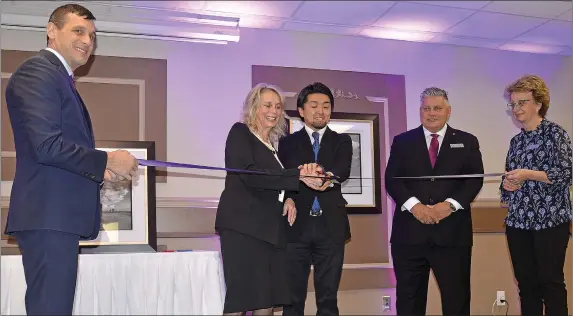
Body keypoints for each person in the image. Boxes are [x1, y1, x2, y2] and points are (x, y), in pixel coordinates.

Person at [4, 4, 138, 315]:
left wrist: (103, 171)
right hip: (49, 215)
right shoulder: (38, 71)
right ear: (52, 31)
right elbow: (47, 146)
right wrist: (107, 160)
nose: (87, 41)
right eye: (78, 31)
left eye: (92, 35)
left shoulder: (58, 78)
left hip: (54, 217)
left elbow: (55, 148)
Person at [215, 83, 324, 316]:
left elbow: (271, 183)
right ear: (254, 107)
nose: (273, 111)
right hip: (243, 230)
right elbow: (251, 175)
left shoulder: (271, 146)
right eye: (267, 105)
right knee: (241, 299)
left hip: (270, 232)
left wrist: (287, 199)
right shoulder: (240, 132)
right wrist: (298, 176)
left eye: (277, 106)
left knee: (267, 300)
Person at [384, 87, 484, 316]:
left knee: (456, 300)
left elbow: (474, 181)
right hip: (409, 237)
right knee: (409, 302)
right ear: (420, 111)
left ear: (448, 111)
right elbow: (392, 180)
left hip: (452, 236)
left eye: (437, 108)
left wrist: (448, 206)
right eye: (426, 108)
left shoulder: (467, 142)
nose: (431, 113)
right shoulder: (402, 141)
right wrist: (415, 207)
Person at [278, 82, 353, 316]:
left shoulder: (343, 141)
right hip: (295, 226)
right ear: (302, 110)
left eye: (326, 106)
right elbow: (286, 176)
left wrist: (312, 173)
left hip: (331, 227)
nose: (321, 111)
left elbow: (341, 172)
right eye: (314, 105)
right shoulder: (286, 142)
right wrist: (304, 174)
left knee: (328, 300)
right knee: (292, 300)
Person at [501, 75, 572, 316]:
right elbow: (508, 183)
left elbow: (565, 174)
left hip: (550, 222)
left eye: (522, 102)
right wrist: (508, 186)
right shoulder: (516, 142)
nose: (516, 109)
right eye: (513, 104)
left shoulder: (556, 135)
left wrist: (528, 174)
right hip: (518, 223)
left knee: (550, 283)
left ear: (538, 103)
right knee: (526, 286)